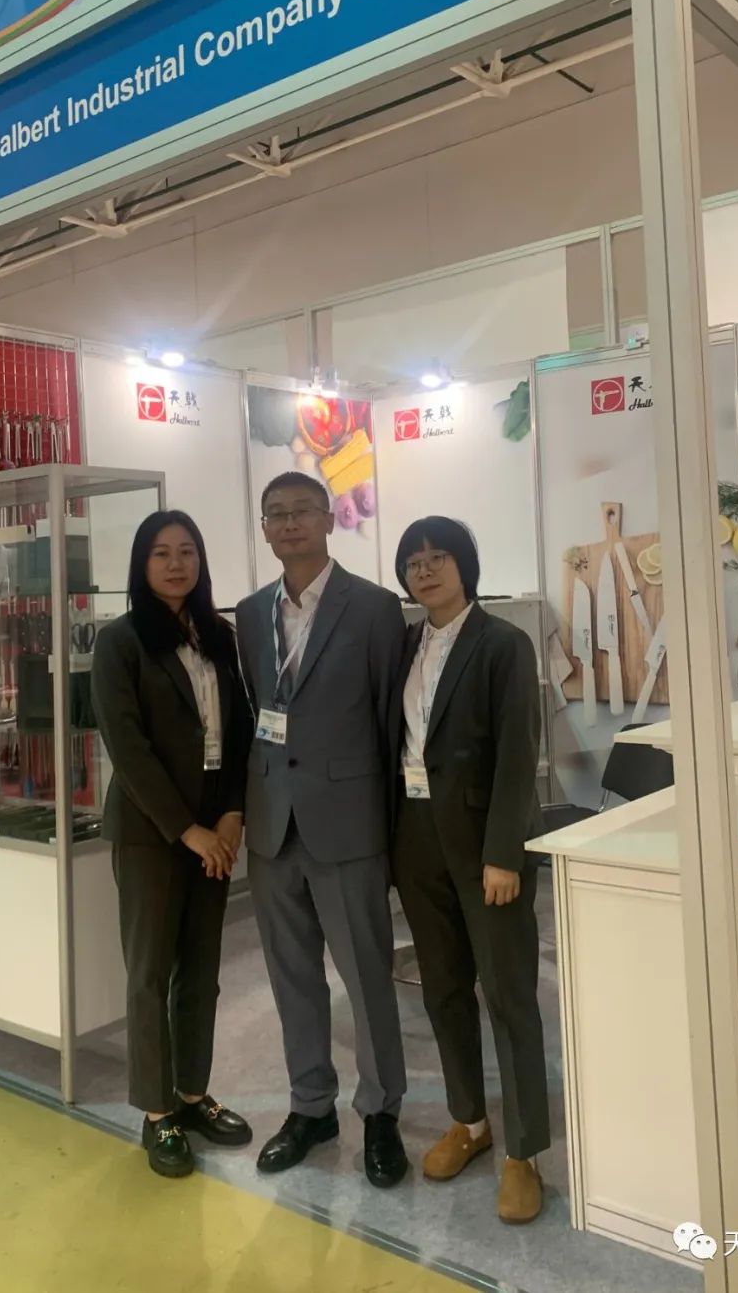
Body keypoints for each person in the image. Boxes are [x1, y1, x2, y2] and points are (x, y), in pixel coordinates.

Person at [235, 472, 409, 1188]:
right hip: (274, 823)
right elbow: (260, 710)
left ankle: (381, 1112)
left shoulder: (374, 608)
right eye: (275, 514)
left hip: (348, 824)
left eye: (302, 511)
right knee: (292, 977)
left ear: (329, 518)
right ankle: (311, 1107)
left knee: (366, 977)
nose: (289, 523)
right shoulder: (250, 614)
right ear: (264, 528)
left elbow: (389, 724)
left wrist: (389, 833)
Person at [390, 517, 549, 1224]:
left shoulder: (502, 644)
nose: (425, 571)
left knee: (508, 995)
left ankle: (524, 1152)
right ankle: (470, 1122)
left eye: (438, 558)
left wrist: (504, 853)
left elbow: (519, 753)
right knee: (444, 989)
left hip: (486, 844)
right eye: (413, 562)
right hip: (416, 838)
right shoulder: (404, 646)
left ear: (465, 566)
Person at [92, 511, 254, 1179]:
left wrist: (232, 816)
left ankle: (192, 1094)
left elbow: (240, 732)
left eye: (187, 551)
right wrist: (187, 830)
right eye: (161, 553)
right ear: (142, 564)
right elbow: (127, 747)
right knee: (150, 973)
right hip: (152, 832)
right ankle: (157, 1112)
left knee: (202, 970)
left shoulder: (220, 636)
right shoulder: (121, 641)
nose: (176, 563)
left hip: (216, 825)